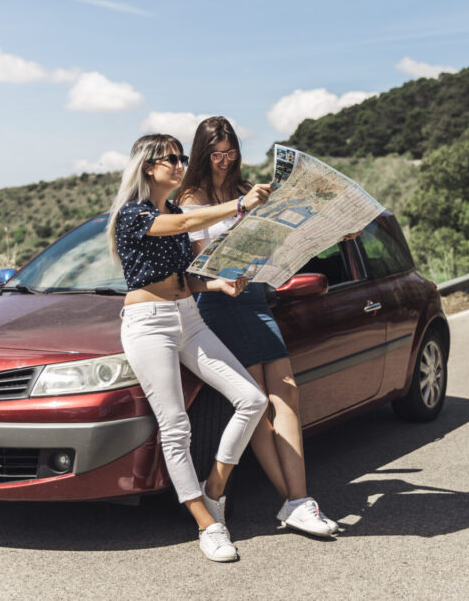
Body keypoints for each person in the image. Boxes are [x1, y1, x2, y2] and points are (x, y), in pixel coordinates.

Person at [107, 133, 273, 561]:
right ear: (148, 167)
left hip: (189, 317)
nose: (179, 165)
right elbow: (185, 225)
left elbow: (188, 274)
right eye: (171, 159)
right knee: (176, 427)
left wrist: (217, 283)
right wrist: (239, 204)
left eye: (182, 158)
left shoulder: (176, 210)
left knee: (252, 399)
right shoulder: (133, 215)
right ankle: (207, 523)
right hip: (149, 326)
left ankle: (214, 487)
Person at [177, 116, 339, 537]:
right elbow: (193, 270)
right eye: (217, 155)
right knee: (258, 408)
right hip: (218, 302)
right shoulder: (189, 200)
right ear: (202, 154)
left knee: (287, 393)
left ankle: (300, 500)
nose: (225, 162)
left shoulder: (246, 190)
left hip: (254, 298)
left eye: (231, 154)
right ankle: (294, 501)